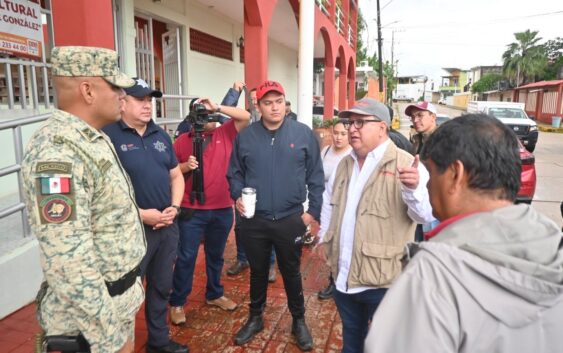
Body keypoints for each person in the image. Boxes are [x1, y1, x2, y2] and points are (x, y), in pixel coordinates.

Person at [365, 114, 563, 353]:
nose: (426, 186)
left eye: (430, 174)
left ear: (455, 175)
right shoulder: (553, 243)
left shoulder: (433, 274)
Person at [21, 46, 145, 353]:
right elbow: (68, 262)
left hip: (114, 304)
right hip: (89, 326)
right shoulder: (57, 153)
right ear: (87, 91)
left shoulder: (91, 137)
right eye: (115, 86)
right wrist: (110, 342)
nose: (122, 95)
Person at [316, 98, 435, 353]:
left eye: (360, 122)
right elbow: (329, 202)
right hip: (343, 277)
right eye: (350, 122)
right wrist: (323, 238)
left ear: (382, 128)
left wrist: (413, 190)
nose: (351, 129)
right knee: (351, 339)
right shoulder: (344, 163)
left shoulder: (407, 164)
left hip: (383, 284)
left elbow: (425, 215)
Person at [227, 80, 324, 351]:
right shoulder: (246, 136)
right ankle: (255, 317)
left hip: (290, 219)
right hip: (254, 221)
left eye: (278, 101)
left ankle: (299, 319)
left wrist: (312, 212)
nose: (274, 107)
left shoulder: (303, 134)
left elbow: (316, 176)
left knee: (291, 272)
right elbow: (234, 172)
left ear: (285, 103)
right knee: (258, 272)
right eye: (267, 103)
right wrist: (236, 195)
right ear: (258, 106)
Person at [103, 78, 187, 353]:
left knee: (161, 287)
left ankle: (159, 342)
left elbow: (176, 176)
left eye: (150, 100)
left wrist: (174, 207)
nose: (147, 105)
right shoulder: (107, 136)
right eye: (140, 99)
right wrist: (140, 215)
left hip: (166, 228)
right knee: (125, 295)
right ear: (122, 102)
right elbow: (102, 194)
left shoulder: (160, 135)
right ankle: (119, 347)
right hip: (131, 231)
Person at [168, 95, 251, 325]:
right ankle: (177, 302)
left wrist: (218, 106)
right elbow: (169, 173)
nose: (209, 116)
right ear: (193, 117)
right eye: (202, 113)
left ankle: (214, 294)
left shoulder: (225, 132)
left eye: (210, 112)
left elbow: (246, 116)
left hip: (223, 209)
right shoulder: (183, 141)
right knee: (186, 257)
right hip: (191, 210)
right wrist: (185, 166)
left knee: (216, 256)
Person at [226, 85, 278, 283]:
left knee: (268, 224)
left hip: (265, 181)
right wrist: (234, 92)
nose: (256, 101)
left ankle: (271, 263)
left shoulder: (273, 122)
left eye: (260, 98)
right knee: (241, 225)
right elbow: (223, 109)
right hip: (244, 179)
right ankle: (242, 259)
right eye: (254, 98)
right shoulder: (243, 119)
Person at [317, 121, 352, 301]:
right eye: (336, 133)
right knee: (328, 243)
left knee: (341, 243)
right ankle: (334, 278)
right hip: (326, 204)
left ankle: (338, 280)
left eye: (343, 134)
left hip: (343, 206)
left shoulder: (351, 156)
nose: (338, 137)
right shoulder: (325, 151)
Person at [406, 101, 440, 240]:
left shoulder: (442, 140)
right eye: (413, 117)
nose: (416, 120)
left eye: (420, 115)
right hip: (419, 201)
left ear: (433, 117)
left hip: (435, 207)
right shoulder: (417, 139)